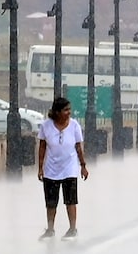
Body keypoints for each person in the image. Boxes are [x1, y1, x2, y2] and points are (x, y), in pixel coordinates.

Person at [37, 97, 88, 241]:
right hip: (51, 168)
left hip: (70, 168)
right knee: (51, 202)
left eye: (69, 109)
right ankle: (50, 230)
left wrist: (83, 166)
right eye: (66, 110)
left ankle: (72, 229)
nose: (69, 113)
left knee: (70, 200)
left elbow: (78, 146)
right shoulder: (46, 126)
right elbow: (42, 147)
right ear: (57, 112)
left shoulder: (74, 126)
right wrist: (40, 168)